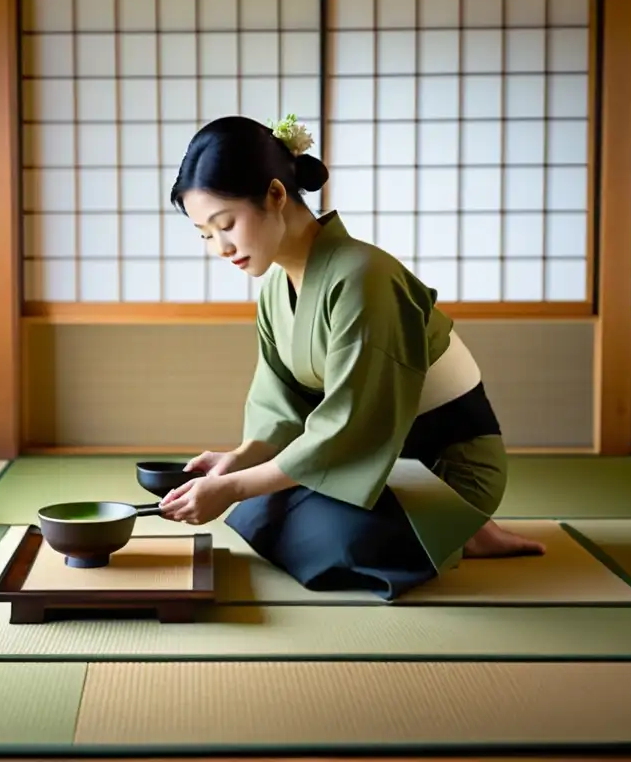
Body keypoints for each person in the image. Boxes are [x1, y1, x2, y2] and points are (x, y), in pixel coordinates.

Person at [158, 114, 544, 600]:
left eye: (226, 224)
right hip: (376, 462)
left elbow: (353, 424)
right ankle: (449, 533)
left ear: (277, 195)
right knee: (257, 509)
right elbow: (282, 406)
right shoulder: (278, 287)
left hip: (442, 466)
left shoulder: (364, 278)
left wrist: (237, 486)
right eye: (204, 234)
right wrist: (239, 460)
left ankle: (458, 523)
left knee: (311, 531)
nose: (220, 247)